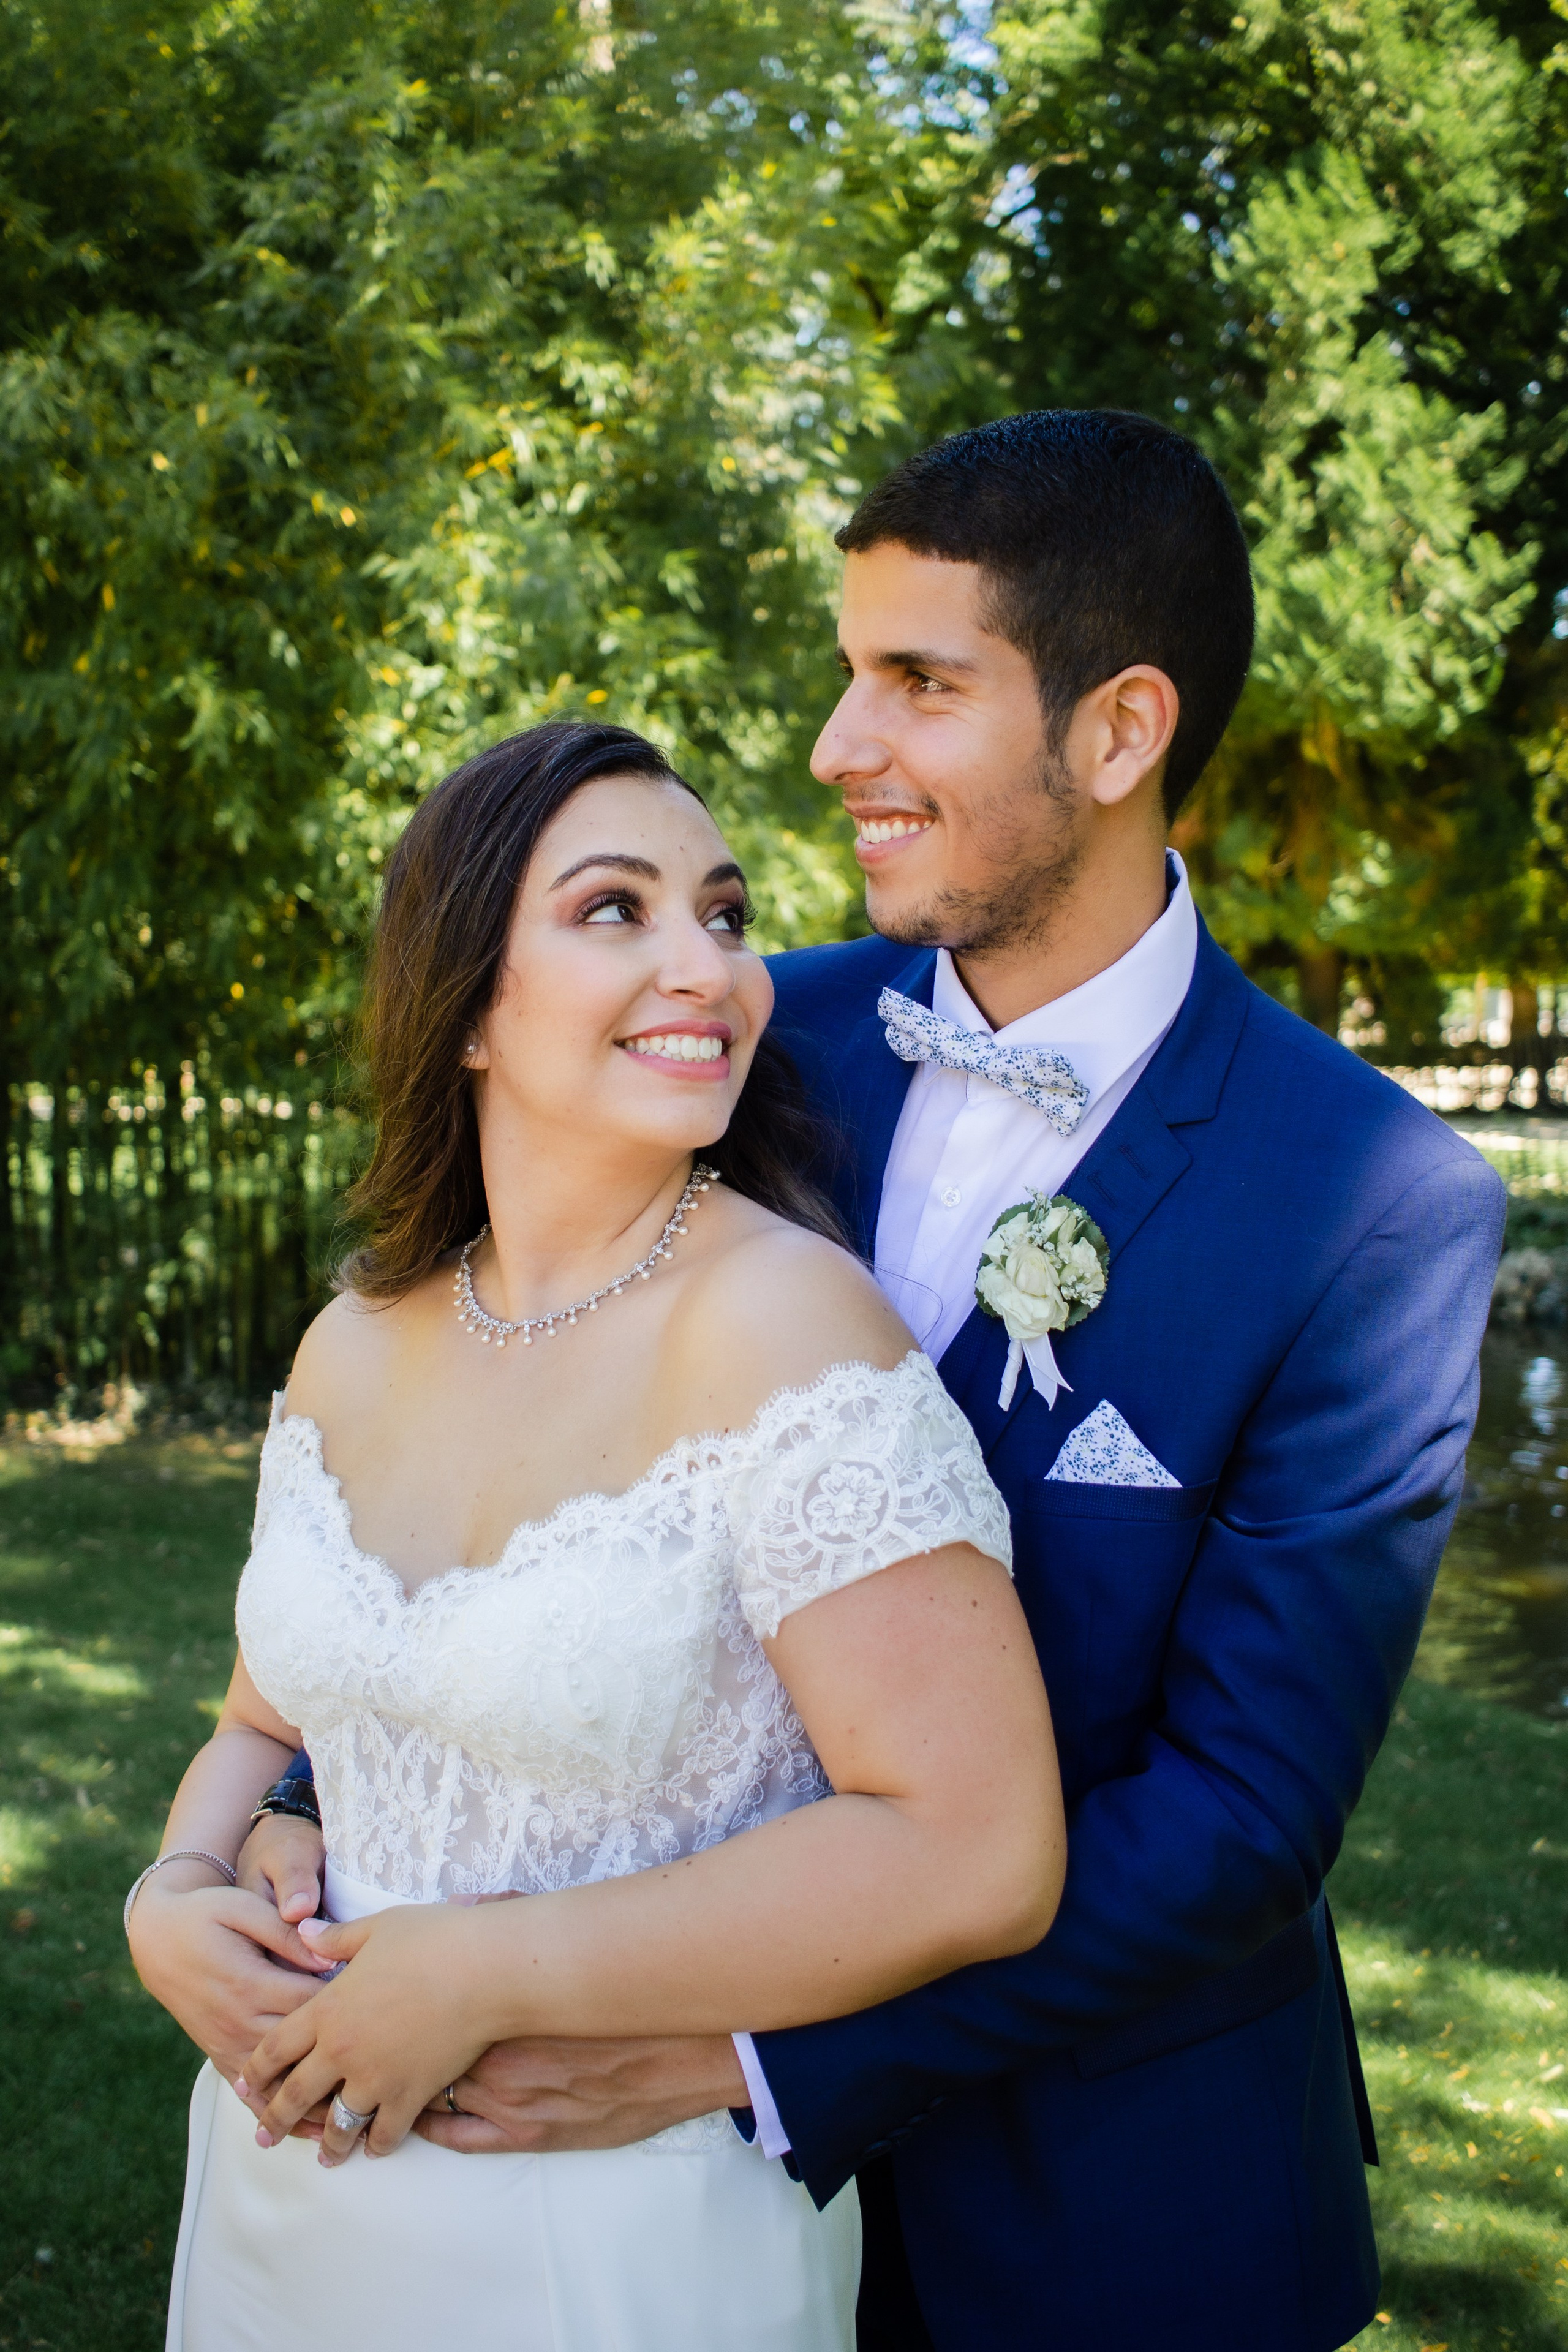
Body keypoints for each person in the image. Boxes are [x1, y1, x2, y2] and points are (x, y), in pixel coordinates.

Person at [243, 409, 1506, 2351]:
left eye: (917, 683)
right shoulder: (746, 1031)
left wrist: (744, 2056)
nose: (840, 748)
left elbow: (1244, 1812)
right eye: (851, 676)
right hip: (610, 2200)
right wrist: (298, 1800)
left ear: (1117, 731)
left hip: (1102, 2215)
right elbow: (516, 1428)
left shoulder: (1368, 1202)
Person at [125, 718, 1066, 2352]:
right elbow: (265, 1717)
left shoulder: (789, 1332)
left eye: (724, 909)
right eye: (615, 910)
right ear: (467, 1001)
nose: (702, 962)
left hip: (618, 2233)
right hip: (283, 2203)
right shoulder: (354, 1338)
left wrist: (485, 1975)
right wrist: (175, 1890)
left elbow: (975, 1847)